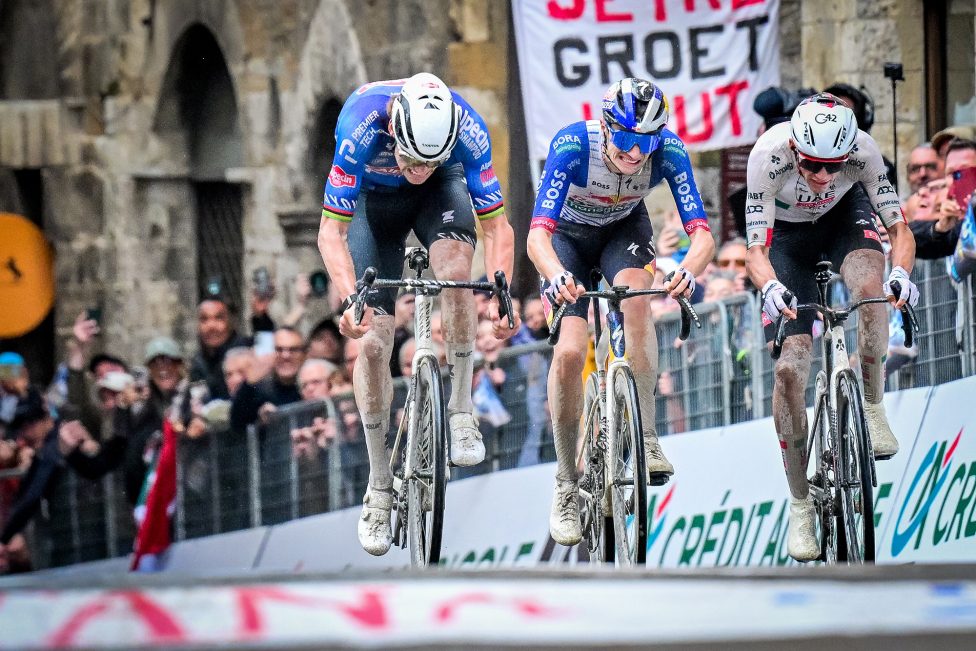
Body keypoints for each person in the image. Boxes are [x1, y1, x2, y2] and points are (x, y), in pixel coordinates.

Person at [316, 72, 519, 556]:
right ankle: (380, 485)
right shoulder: (361, 123)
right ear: (396, 132)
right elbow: (330, 233)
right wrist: (351, 301)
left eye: (428, 161)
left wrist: (502, 296)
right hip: (371, 207)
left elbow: (497, 229)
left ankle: (461, 408)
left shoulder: (467, 130)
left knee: (455, 269)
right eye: (409, 158)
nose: (417, 168)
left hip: (439, 201)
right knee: (372, 341)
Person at [526, 77, 715, 546]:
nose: (635, 155)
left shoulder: (668, 151)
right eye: (627, 140)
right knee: (570, 354)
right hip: (566, 242)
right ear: (608, 126)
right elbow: (537, 237)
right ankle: (566, 482)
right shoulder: (572, 145)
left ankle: (647, 436)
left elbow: (703, 235)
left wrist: (689, 269)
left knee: (635, 303)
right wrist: (553, 275)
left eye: (646, 144)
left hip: (621, 232)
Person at [743, 92, 918, 562]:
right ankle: (801, 504)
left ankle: (873, 408)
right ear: (795, 147)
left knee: (870, 288)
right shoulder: (768, 156)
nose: (821, 177)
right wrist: (769, 288)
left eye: (832, 166)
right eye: (812, 165)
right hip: (786, 241)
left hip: (843, 220)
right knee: (788, 372)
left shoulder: (863, 151)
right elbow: (755, 251)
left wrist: (901, 273)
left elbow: (900, 230)